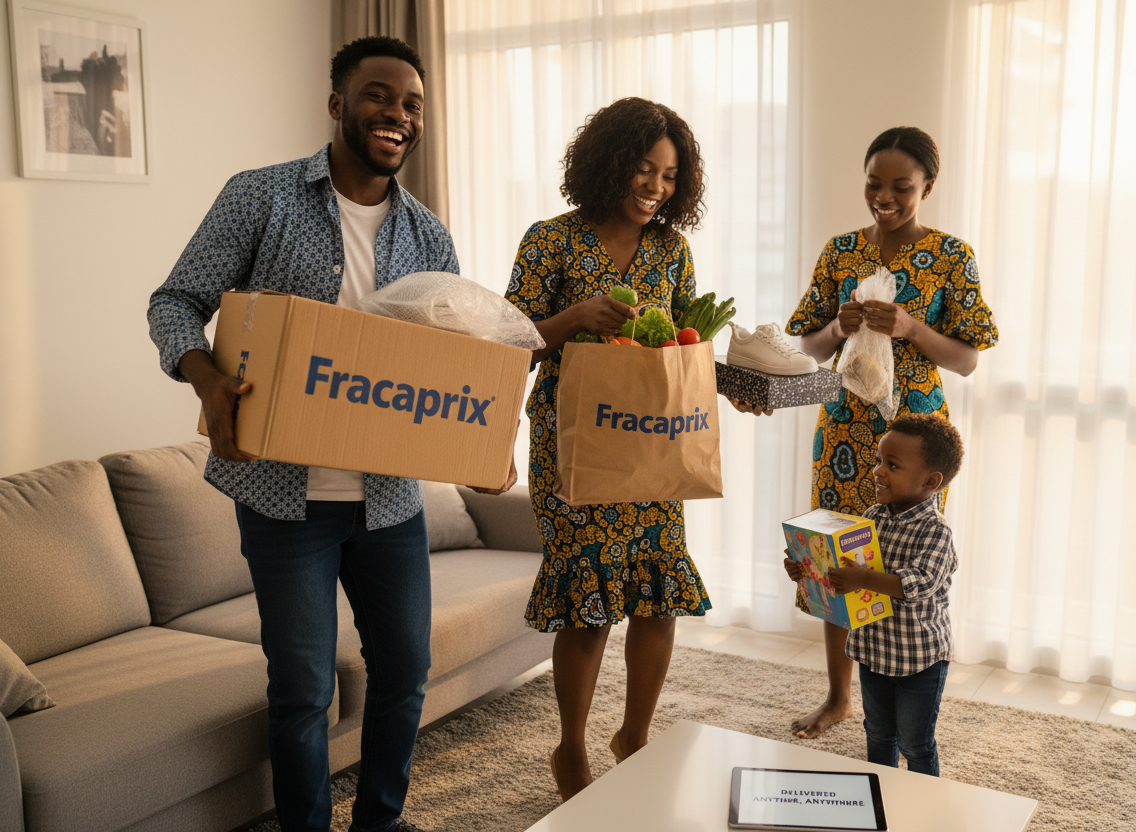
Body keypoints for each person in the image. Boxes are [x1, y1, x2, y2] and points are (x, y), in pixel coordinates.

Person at [147, 36, 511, 832]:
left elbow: (451, 368)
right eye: (380, 96)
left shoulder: (429, 235)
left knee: (405, 674)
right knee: (304, 687)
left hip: (388, 502)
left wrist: (486, 442)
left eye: (412, 104)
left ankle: (379, 822)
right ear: (338, 104)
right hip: (284, 500)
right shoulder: (261, 198)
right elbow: (174, 302)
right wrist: (207, 382)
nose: (398, 116)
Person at [504, 97, 716, 801]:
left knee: (657, 594)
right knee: (588, 601)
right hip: (572, 453)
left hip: (651, 444)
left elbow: (685, 347)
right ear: (607, 162)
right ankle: (570, 746)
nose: (656, 186)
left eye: (668, 175)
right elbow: (509, 346)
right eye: (643, 168)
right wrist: (574, 317)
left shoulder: (671, 250)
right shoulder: (550, 241)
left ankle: (635, 734)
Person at [782, 126, 998, 739]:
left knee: (903, 561)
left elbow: (966, 359)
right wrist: (838, 328)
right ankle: (838, 696)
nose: (885, 197)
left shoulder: (952, 256)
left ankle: (905, 697)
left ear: (929, 185)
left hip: (915, 435)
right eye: (874, 183)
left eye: (901, 187)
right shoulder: (841, 250)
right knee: (833, 555)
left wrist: (910, 328)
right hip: (846, 430)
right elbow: (808, 344)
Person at [783, 413, 964, 776]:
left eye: (892, 465)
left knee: (915, 742)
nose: (878, 471)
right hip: (873, 652)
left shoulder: (936, 531)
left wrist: (862, 577)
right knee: (878, 734)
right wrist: (807, 570)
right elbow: (844, 574)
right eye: (879, 460)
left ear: (931, 481)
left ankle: (923, 801)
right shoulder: (872, 517)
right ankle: (880, 793)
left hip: (919, 661)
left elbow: (916, 583)